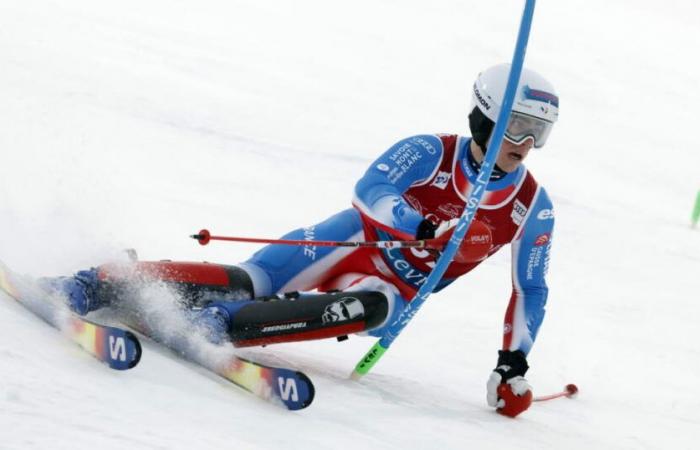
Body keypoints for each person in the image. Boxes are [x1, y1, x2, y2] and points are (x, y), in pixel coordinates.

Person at [46, 63, 559, 418]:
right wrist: (419, 227)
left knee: (375, 307)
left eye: (539, 133)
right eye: (516, 126)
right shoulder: (429, 151)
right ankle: (97, 281)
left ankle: (219, 327)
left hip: (390, 287)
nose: (526, 145)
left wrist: (512, 363)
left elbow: (530, 289)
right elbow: (370, 189)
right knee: (250, 279)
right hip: (353, 240)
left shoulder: (532, 207)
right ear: (484, 113)